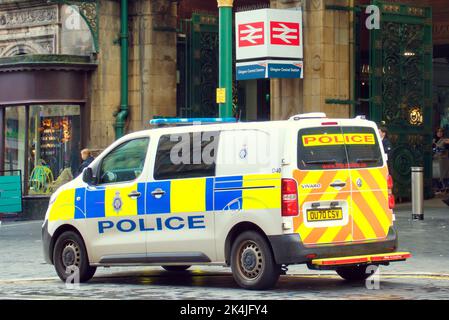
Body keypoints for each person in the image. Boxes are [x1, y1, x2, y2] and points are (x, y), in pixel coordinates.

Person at [433, 128, 449, 194]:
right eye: (438, 132)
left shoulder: (445, 139)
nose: (439, 133)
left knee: (443, 174)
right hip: (436, 159)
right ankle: (438, 188)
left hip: (443, 159)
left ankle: (445, 188)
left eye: (441, 132)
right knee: (435, 174)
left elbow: (445, 148)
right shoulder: (434, 140)